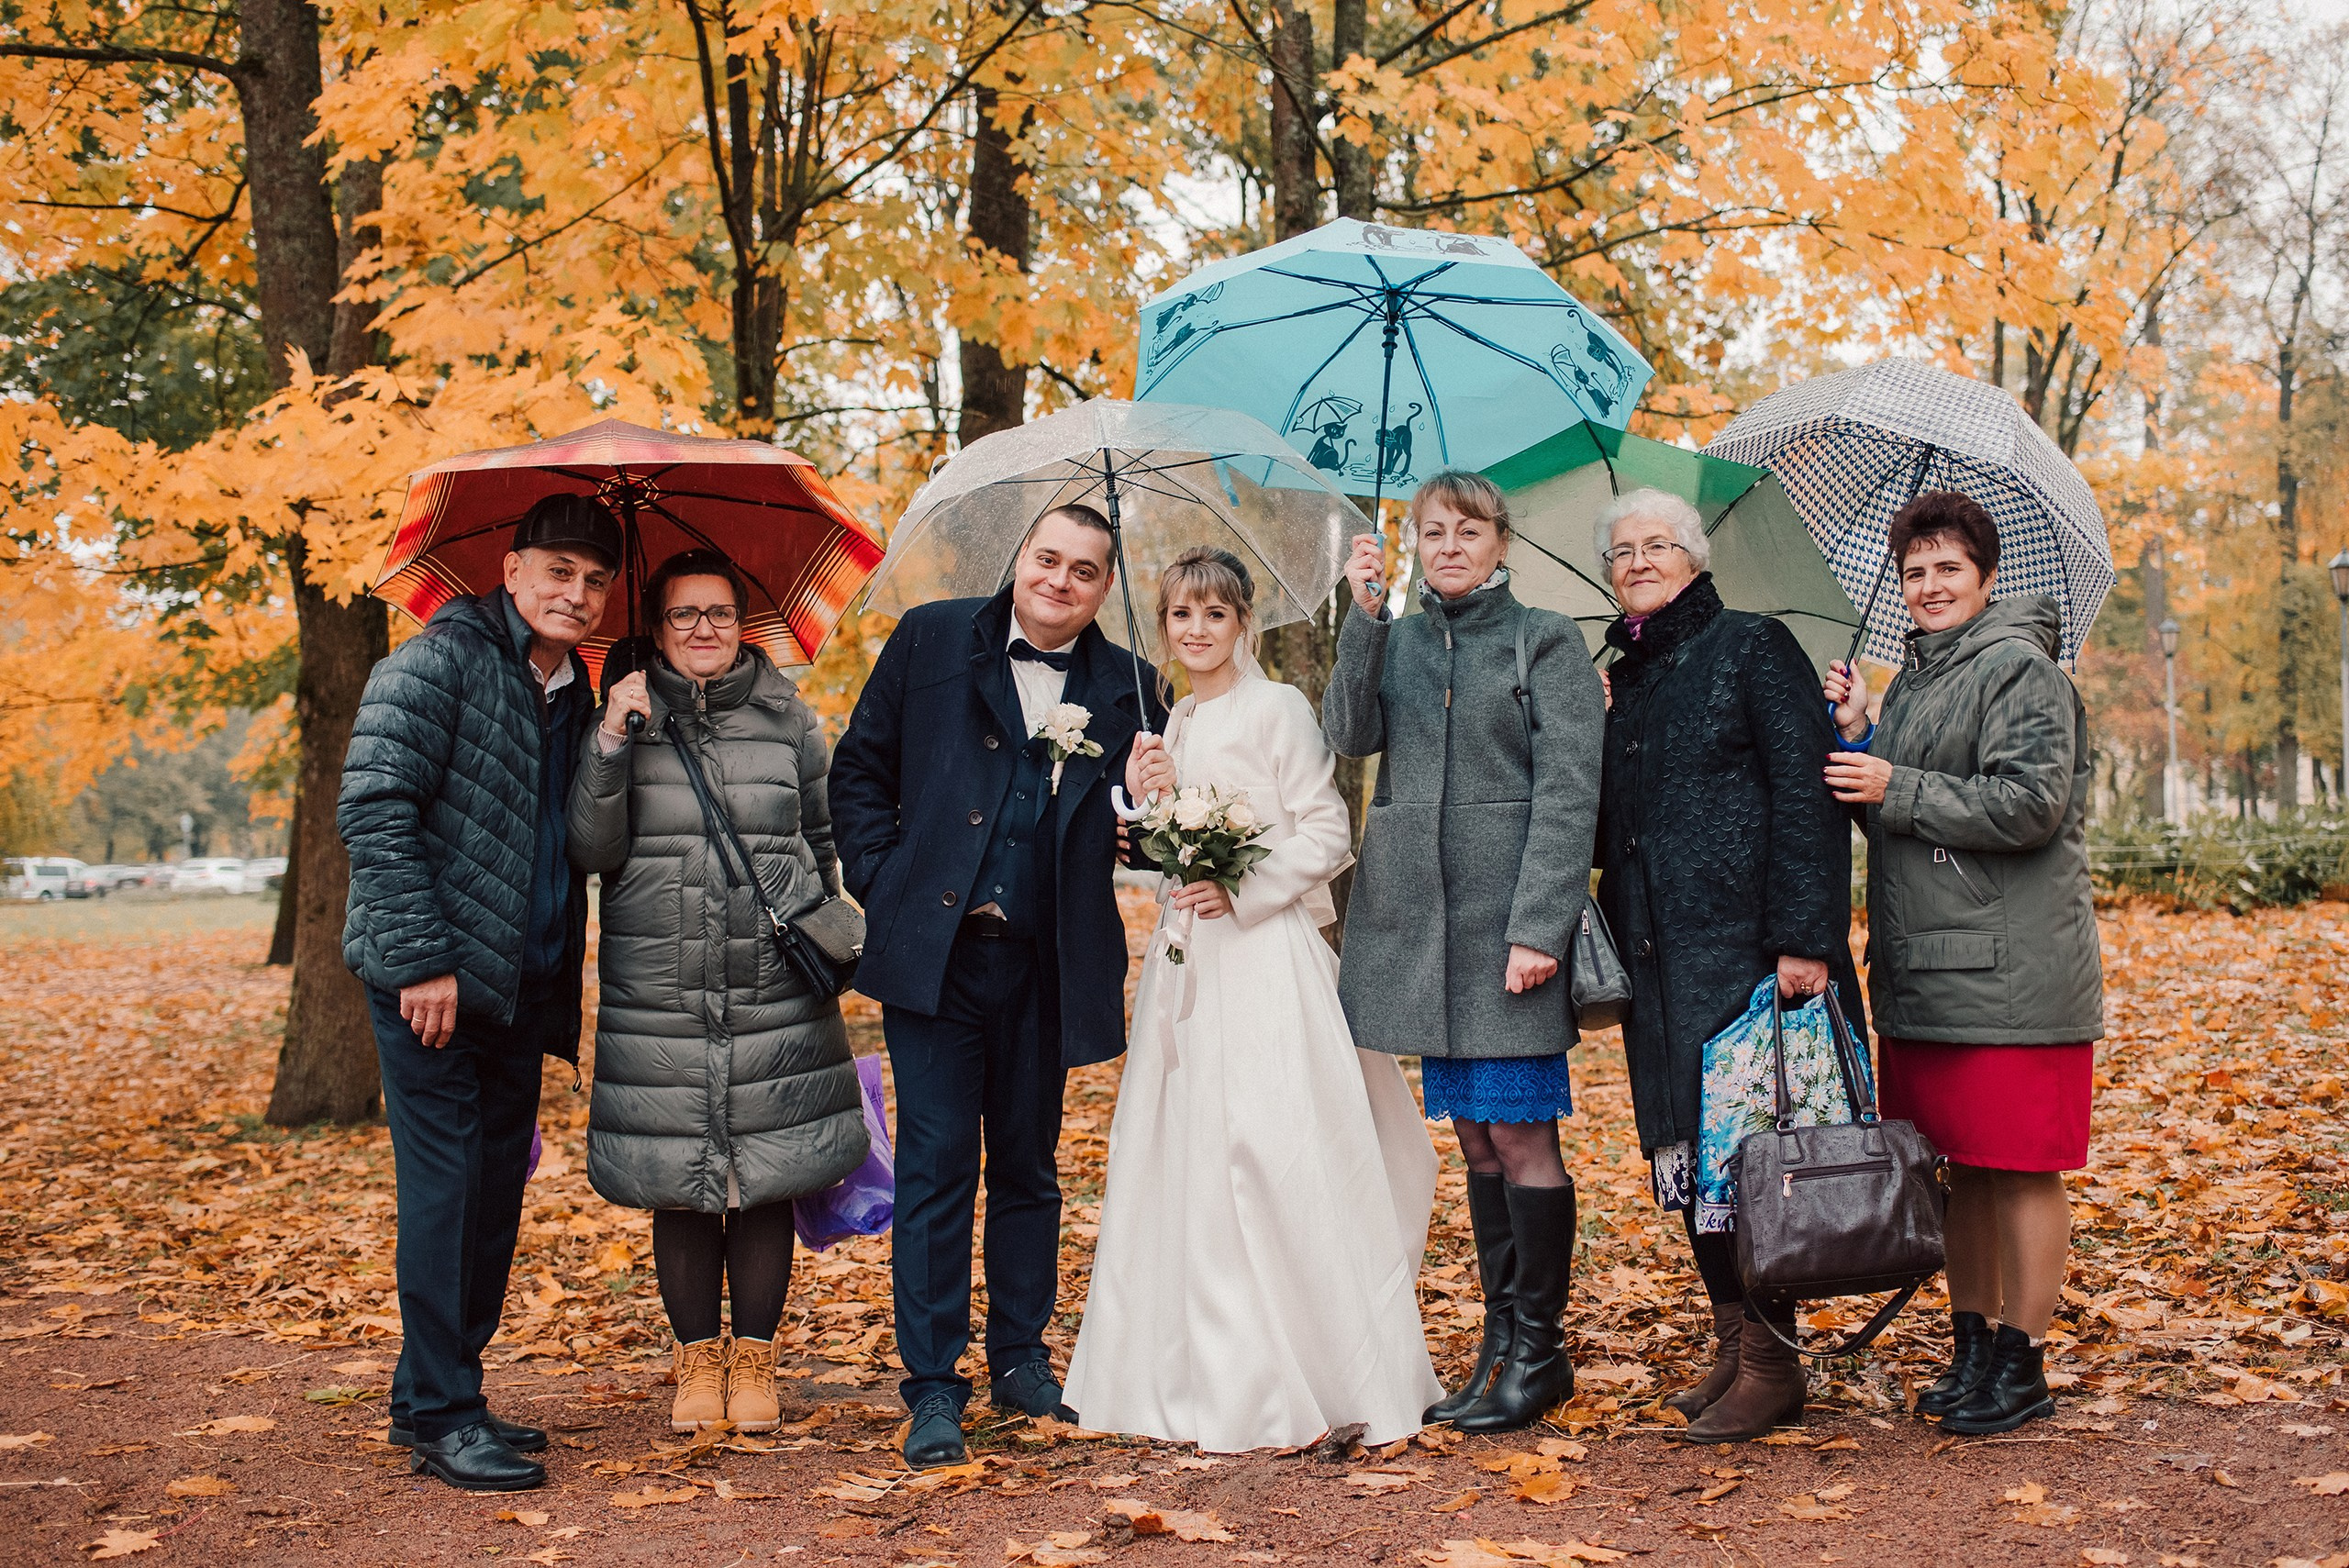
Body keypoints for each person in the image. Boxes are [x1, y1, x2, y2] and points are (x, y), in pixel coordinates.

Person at [1062, 548, 1443, 1450]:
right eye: (1181, 615)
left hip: (1267, 957)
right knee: (1182, 1152)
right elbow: (1166, 855)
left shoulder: (1277, 709)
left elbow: (1324, 830)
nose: (1196, 630)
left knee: (1273, 1152)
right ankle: (1189, 1373)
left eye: (1215, 614)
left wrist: (1244, 887)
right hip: (1188, 965)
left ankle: (1309, 1371)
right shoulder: (1174, 721)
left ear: (1243, 624)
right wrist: (1147, 807)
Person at [829, 505, 1168, 1469]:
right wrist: (886, 882)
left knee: (1028, 1165)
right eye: (1046, 557)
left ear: (1105, 586)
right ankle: (933, 1385)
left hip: (1049, 963)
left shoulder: (1132, 688)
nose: (1060, 579)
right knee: (937, 1169)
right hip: (935, 959)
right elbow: (857, 770)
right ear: (1018, 558)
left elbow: (1153, 833)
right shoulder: (934, 635)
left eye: (1084, 569)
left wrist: (1148, 806)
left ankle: (1021, 1357)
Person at [339, 492, 621, 1492]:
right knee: (449, 1190)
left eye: (594, 580)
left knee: (492, 1191)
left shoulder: (573, 688)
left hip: (516, 983)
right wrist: (420, 958)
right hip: (432, 982)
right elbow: (372, 805)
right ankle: (444, 1415)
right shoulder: (440, 657)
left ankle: (436, 1391)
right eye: (557, 572)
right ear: (509, 572)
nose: (576, 593)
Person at [1323, 470, 1605, 1433]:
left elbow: (1571, 790)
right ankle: (1497, 1337)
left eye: (1467, 530)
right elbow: (1347, 733)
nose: (1448, 545)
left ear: (1499, 541)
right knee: (1476, 1137)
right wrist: (1360, 617)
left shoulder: (1546, 639)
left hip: (1506, 930)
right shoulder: (1396, 636)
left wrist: (1541, 924)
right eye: (1431, 532)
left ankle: (1541, 1349)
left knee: (1522, 1134)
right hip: (1422, 934)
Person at [568, 548, 868, 1436]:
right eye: (683, 614)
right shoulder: (622, 712)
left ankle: (755, 1361)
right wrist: (612, 740)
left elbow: (820, 846)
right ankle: (696, 1360)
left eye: (718, 613)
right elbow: (590, 846)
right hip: (659, 982)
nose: (703, 629)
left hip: (772, 981)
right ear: (656, 629)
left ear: (743, 623)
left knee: (766, 1176)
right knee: (682, 1180)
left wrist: (813, 922)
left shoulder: (789, 721)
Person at [1823, 490, 2102, 1437]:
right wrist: (1864, 735)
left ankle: (2021, 1361)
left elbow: (2027, 806)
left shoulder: (2023, 671)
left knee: (2020, 1167)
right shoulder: (1912, 681)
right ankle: (1975, 1345)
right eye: (1914, 571)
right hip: (1928, 968)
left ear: (1986, 575)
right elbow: (1893, 819)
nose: (1929, 584)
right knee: (1960, 1169)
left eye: (1947, 566)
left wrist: (1895, 779)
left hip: (2012, 973)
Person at [1589, 487, 1866, 1442]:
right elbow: (1607, 830)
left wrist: (1806, 936)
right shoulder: (1622, 679)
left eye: (1657, 543)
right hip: (1658, 961)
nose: (1638, 559)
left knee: (1752, 1164)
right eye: (1621, 549)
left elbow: (1806, 792)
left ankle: (1772, 1361)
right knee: (1688, 1162)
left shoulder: (1753, 644)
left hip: (1750, 957)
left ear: (1695, 558)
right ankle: (1732, 1336)